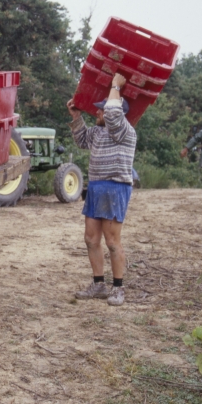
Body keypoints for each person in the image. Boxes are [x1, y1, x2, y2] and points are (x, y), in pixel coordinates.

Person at [68, 74, 137, 306]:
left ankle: (118, 288)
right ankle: (99, 285)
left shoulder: (124, 131)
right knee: (90, 238)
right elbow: (81, 140)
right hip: (96, 188)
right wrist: (76, 117)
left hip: (115, 188)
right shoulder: (98, 132)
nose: (98, 113)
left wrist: (116, 86)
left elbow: (114, 114)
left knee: (112, 241)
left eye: (102, 110)